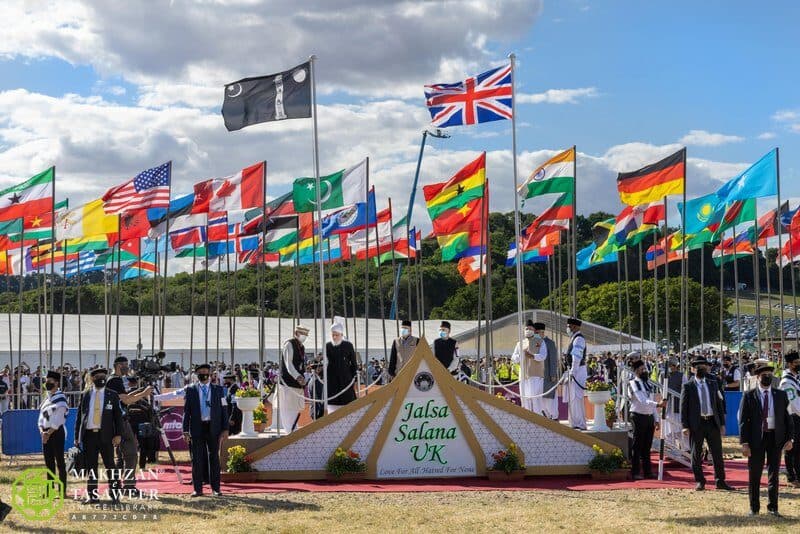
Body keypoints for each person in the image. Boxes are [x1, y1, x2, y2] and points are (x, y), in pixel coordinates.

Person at [739, 361, 795, 516]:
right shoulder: (749, 396)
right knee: (755, 474)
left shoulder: (781, 395)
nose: (767, 377)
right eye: (764, 375)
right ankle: (754, 508)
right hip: (756, 439)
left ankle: (773, 508)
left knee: (774, 475)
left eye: (770, 375)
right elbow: (743, 421)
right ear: (757, 377)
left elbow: (788, 418)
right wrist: (744, 443)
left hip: (775, 439)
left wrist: (790, 439)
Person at [680, 356, 734, 491]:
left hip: (712, 422)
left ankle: (720, 481)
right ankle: (699, 481)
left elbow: (718, 404)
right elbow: (683, 407)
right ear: (693, 369)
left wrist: (722, 423)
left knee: (717, 453)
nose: (701, 369)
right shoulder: (688, 386)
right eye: (698, 367)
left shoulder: (712, 383)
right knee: (696, 453)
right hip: (696, 424)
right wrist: (685, 426)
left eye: (704, 367)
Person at [74, 367, 124, 504]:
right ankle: (92, 496)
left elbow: (118, 417)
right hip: (89, 436)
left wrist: (118, 434)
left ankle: (115, 495)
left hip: (106, 436)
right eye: (97, 377)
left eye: (103, 376)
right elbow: (80, 417)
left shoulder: (112, 395)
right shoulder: (86, 394)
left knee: (110, 465)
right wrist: (77, 437)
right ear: (92, 379)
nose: (101, 379)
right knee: (91, 467)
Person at [105, 356, 152, 496]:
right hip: (119, 420)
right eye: (125, 365)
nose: (127, 368)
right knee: (131, 453)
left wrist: (138, 392)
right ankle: (129, 487)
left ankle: (118, 485)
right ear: (118, 365)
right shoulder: (115, 380)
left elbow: (123, 398)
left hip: (115, 420)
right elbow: (125, 400)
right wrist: (143, 394)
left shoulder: (112, 380)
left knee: (120, 456)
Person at [182, 363, 229, 497]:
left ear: (210, 373)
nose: (203, 374)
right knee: (197, 459)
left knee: (214, 457)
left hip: (213, 427)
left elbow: (224, 410)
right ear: (197, 375)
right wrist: (185, 430)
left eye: (206, 371)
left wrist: (225, 428)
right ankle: (198, 489)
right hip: (197, 428)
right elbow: (187, 412)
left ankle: (216, 488)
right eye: (201, 372)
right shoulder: (191, 390)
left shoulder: (219, 390)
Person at [628, 360, 664, 480]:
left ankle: (648, 472)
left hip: (648, 417)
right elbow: (642, 400)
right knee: (637, 446)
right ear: (636, 371)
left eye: (645, 369)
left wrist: (656, 419)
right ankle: (635, 472)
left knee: (647, 446)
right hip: (638, 416)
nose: (645, 371)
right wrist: (658, 404)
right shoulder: (633, 383)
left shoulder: (648, 383)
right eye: (642, 369)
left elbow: (650, 403)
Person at [39, 370, 69, 497]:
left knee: (60, 463)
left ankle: (62, 491)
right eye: (46, 381)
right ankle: (49, 490)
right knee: (49, 463)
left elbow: (59, 420)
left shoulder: (60, 398)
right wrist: (42, 431)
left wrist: (48, 433)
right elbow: (41, 417)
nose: (46, 383)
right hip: (45, 433)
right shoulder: (47, 398)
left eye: (49, 381)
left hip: (56, 433)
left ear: (56, 383)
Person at [275, 325, 309, 433]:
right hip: (287, 383)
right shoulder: (289, 344)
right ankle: (289, 431)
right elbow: (288, 364)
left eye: (306, 335)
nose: (304, 337)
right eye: (303, 335)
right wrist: (298, 376)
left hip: (297, 384)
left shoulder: (301, 347)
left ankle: (293, 429)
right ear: (297, 334)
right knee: (287, 408)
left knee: (295, 408)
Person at [326, 322, 358, 413]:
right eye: (333, 335)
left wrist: (354, 379)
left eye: (337, 335)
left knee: (348, 405)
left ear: (341, 335)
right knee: (332, 406)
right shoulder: (327, 346)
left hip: (346, 380)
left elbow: (354, 364)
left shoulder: (348, 345)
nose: (335, 337)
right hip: (332, 381)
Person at [780, 350, 800, 487]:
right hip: (793, 418)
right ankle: (791, 477)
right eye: (796, 363)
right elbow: (794, 402)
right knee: (791, 448)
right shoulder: (786, 382)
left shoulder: (797, 378)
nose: (798, 364)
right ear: (789, 364)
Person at [565, 318, 587, 430]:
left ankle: (580, 423)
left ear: (575, 327)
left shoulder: (578, 339)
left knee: (577, 397)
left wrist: (573, 371)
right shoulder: (573, 338)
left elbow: (576, 357)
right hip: (574, 370)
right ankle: (574, 422)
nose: (567, 328)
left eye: (569, 326)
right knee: (573, 398)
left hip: (578, 370)